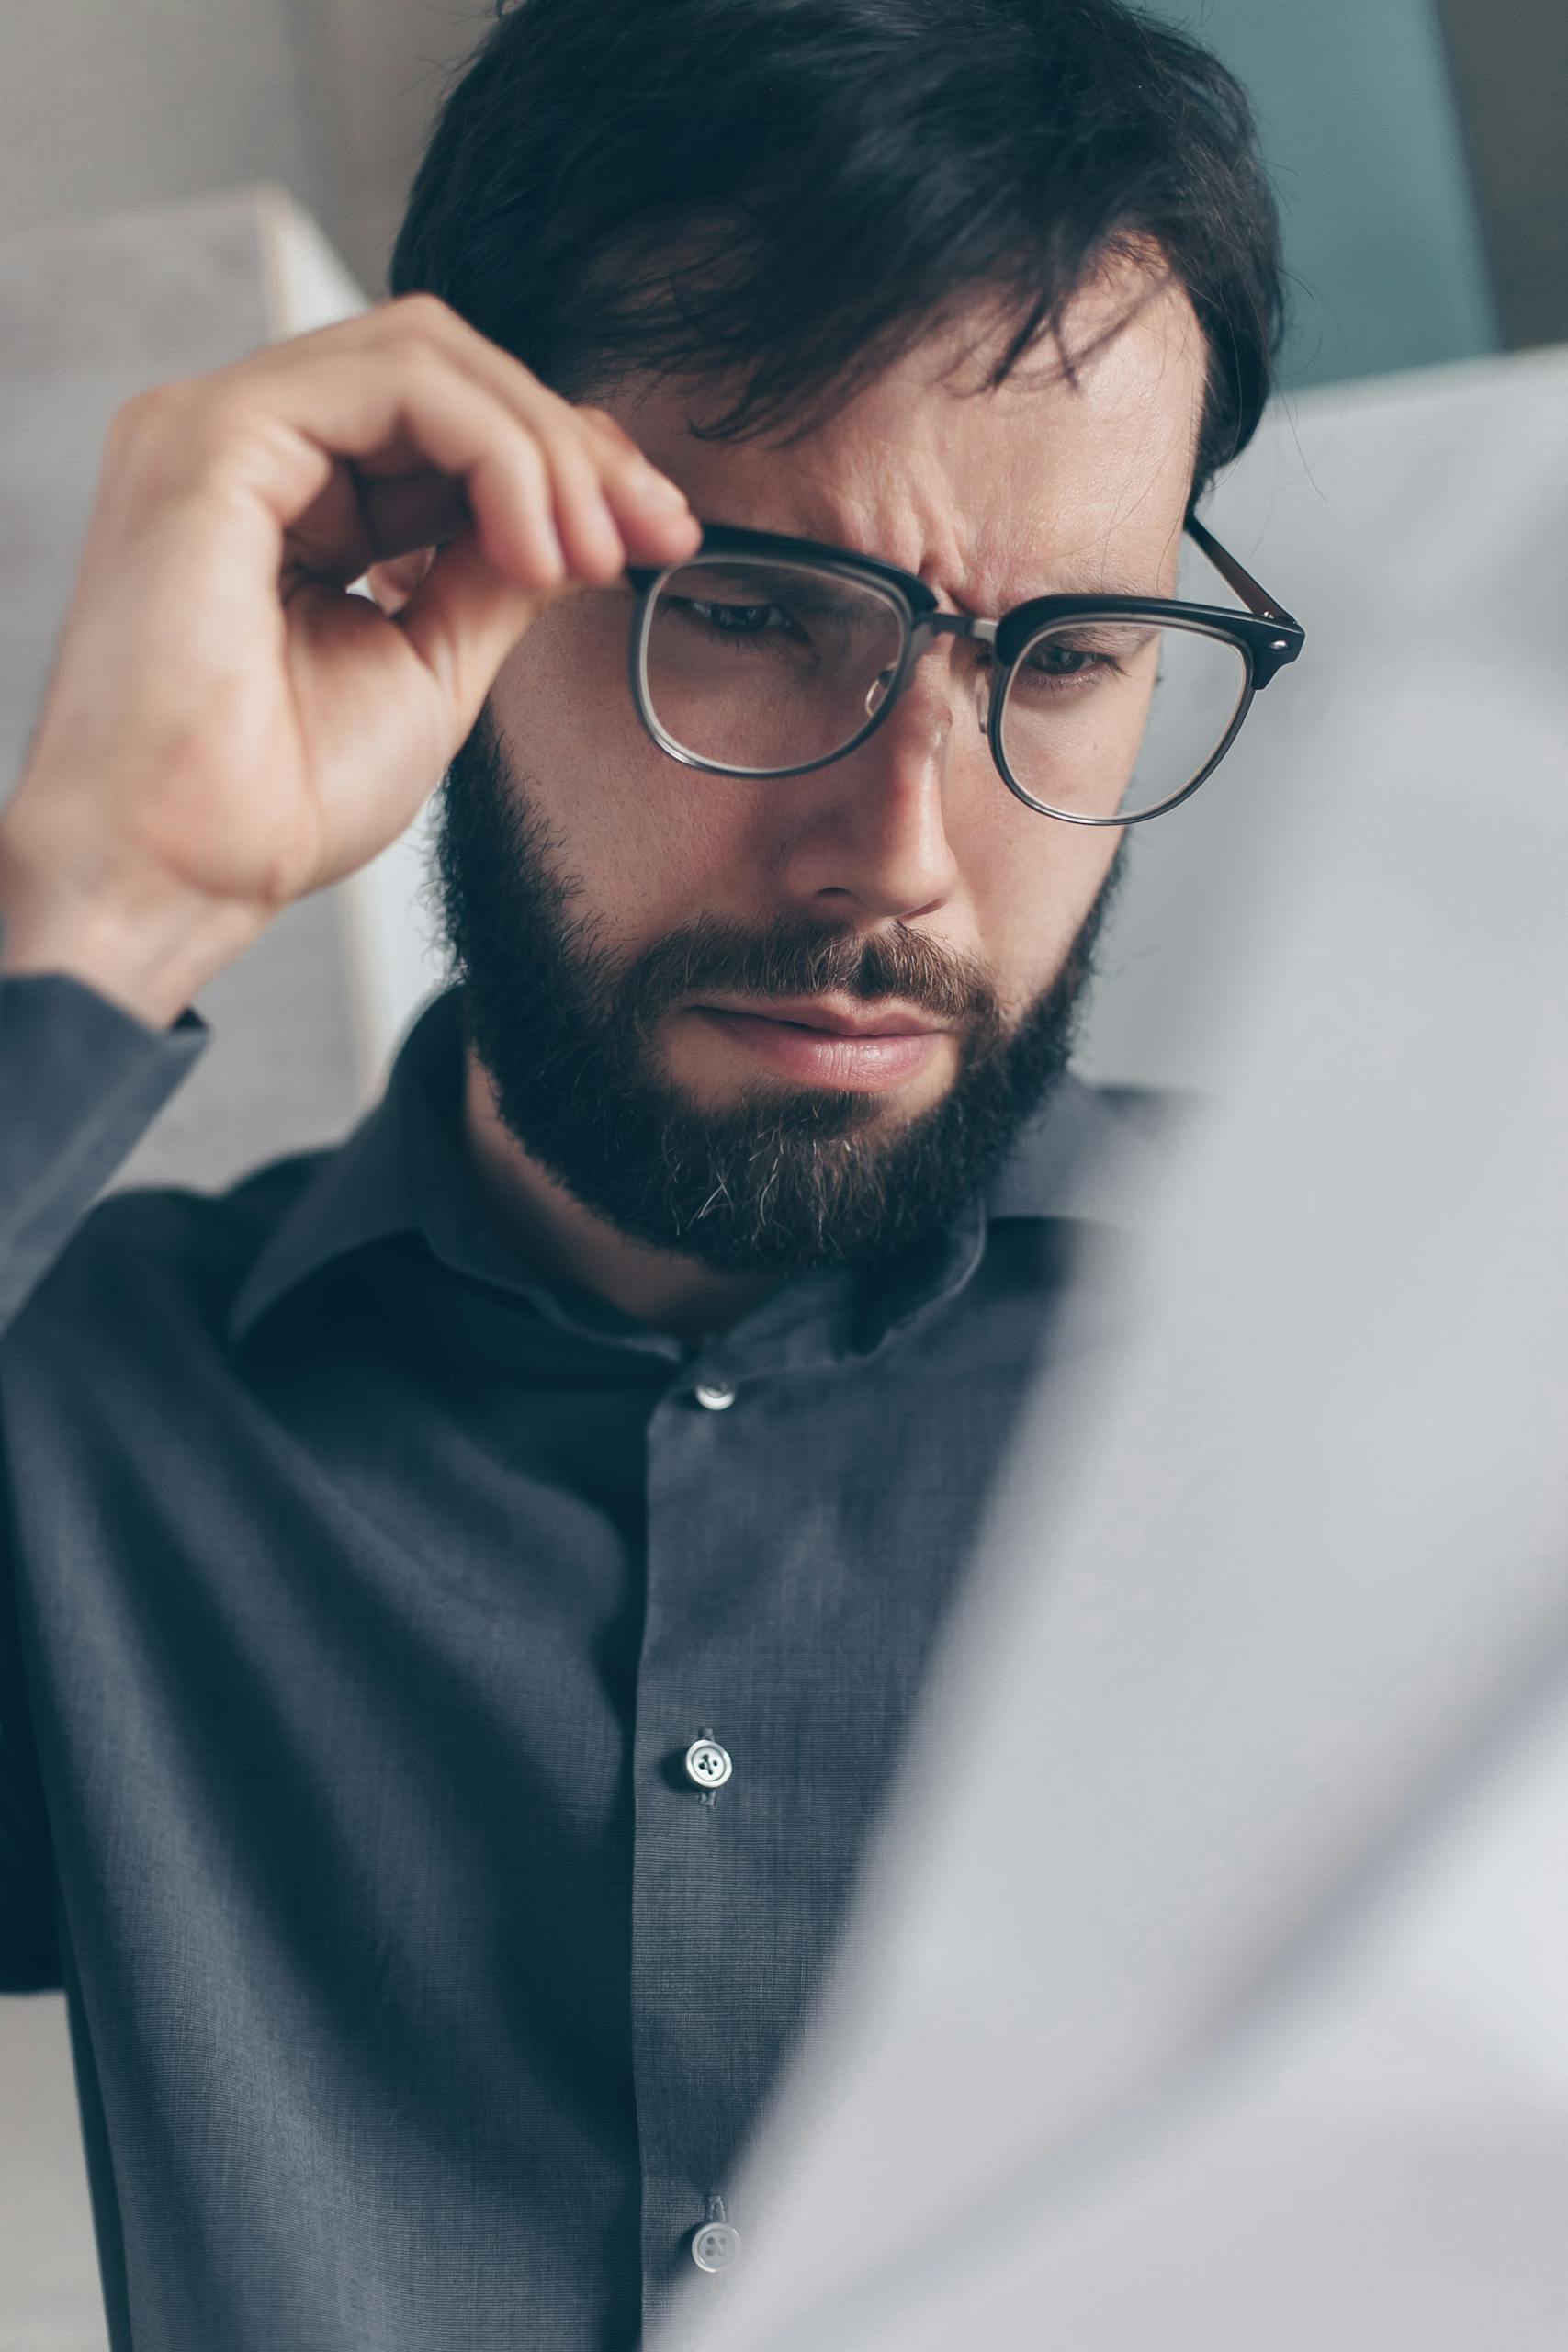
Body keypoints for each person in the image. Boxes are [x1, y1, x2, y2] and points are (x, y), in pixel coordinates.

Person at [0, 2, 1296, 2346]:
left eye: (1073, 652)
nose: (895, 851)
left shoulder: (1413, 1341)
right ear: (441, 558)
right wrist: (104, 903)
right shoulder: (87, 1424)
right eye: (756, 615)